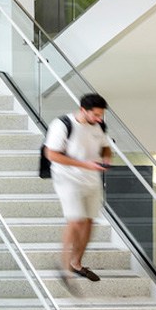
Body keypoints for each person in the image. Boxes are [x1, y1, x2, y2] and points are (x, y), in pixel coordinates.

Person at [44, 93, 112, 286]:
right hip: (67, 178)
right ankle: (64, 268)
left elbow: (106, 147)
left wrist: (106, 158)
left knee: (89, 222)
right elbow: (51, 154)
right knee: (76, 221)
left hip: (92, 179)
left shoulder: (98, 125)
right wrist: (85, 164)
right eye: (96, 114)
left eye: (102, 115)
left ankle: (76, 263)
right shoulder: (63, 124)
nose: (99, 118)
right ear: (83, 110)